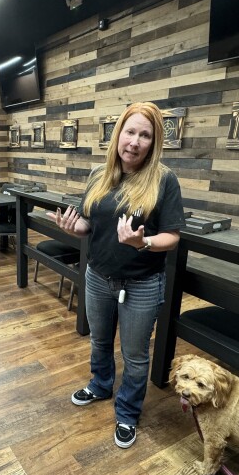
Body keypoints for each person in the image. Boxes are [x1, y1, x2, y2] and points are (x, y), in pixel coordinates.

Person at [49, 102, 185, 448]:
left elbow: (172, 236)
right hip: (97, 275)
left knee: (136, 355)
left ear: (153, 144)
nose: (135, 142)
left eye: (145, 135)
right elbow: (89, 223)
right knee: (99, 339)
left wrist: (144, 242)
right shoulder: (99, 175)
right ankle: (100, 384)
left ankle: (127, 411)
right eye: (130, 132)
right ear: (117, 135)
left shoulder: (164, 180)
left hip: (142, 282)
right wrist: (74, 226)